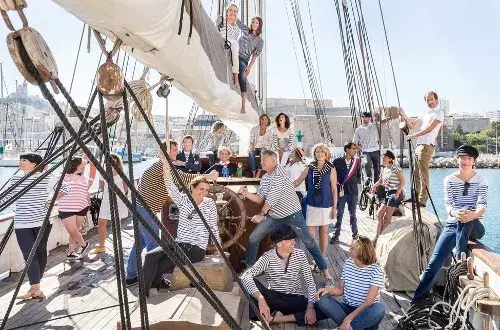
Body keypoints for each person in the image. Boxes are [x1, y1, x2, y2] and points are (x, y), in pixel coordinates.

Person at [125, 141, 219, 286]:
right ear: (164, 152)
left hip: (140, 208)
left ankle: (131, 276)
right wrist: (208, 177)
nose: (177, 152)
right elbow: (183, 179)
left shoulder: (161, 165)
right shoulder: (163, 166)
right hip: (144, 210)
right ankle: (157, 280)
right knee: (154, 245)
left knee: (140, 243)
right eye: (174, 150)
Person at [238, 150, 334, 286]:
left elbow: (271, 199)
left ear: (273, 161)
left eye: (264, 159)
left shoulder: (281, 173)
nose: (261, 162)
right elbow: (260, 199)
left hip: (293, 215)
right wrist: (246, 194)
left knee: (309, 242)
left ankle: (326, 274)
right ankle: (250, 270)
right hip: (275, 216)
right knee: (254, 238)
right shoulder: (265, 178)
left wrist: (260, 215)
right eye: (261, 160)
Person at [412, 145, 487, 303]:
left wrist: (472, 214)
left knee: (466, 217)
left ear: (474, 161)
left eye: (469, 159)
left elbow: (482, 205)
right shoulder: (450, 180)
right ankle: (417, 301)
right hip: (454, 224)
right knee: (434, 264)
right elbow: (449, 205)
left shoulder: (481, 179)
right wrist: (455, 213)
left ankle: (460, 260)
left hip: (476, 225)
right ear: (457, 159)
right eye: (462, 158)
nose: (465, 161)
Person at [241, 227, 330, 326]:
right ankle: (278, 314)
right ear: (279, 244)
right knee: (251, 281)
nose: (294, 243)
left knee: (325, 309)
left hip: (295, 300)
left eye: (293, 239)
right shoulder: (268, 257)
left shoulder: (300, 255)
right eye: (290, 240)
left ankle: (279, 319)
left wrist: (310, 307)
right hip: (274, 298)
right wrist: (260, 298)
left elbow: (310, 283)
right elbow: (245, 276)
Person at [0, 153, 53, 300]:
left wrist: (48, 201)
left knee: (41, 253)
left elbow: (65, 188)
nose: (21, 162)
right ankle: (35, 287)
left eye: (25, 160)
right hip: (22, 223)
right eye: (21, 159)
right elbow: (7, 196)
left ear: (35, 164)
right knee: (29, 255)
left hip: (42, 222)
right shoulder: (16, 179)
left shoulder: (46, 177)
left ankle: (35, 287)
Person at [316, 236, 386, 330]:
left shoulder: (376, 270)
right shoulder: (348, 263)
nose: (349, 250)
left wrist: (349, 318)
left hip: (366, 313)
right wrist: (327, 290)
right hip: (348, 308)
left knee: (379, 308)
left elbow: (369, 302)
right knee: (322, 297)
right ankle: (351, 327)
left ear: (361, 252)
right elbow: (340, 290)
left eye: (352, 248)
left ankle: (346, 327)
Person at [294, 144, 338, 267]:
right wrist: (286, 188)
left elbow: (334, 189)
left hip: (326, 204)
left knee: (324, 232)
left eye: (322, 152)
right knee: (310, 235)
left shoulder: (331, 168)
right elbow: (298, 180)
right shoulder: (310, 167)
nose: (320, 154)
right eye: (318, 152)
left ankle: (321, 259)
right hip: (312, 203)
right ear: (315, 153)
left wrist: (335, 207)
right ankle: (316, 256)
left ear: (326, 154)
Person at [399, 91, 444, 207]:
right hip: (420, 144)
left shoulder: (439, 113)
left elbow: (430, 128)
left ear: (436, 100)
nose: (430, 102)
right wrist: (403, 114)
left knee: (423, 173)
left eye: (431, 99)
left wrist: (413, 136)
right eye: (427, 100)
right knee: (415, 172)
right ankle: (415, 197)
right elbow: (412, 124)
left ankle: (422, 200)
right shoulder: (427, 113)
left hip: (427, 145)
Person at [57, 155, 94, 260]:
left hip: (82, 206)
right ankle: (83, 244)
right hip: (67, 207)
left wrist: (87, 157)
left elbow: (86, 159)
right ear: (75, 165)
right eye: (82, 165)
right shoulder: (63, 176)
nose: (84, 166)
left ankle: (71, 252)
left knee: (75, 230)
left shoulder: (82, 176)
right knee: (73, 230)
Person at [94, 153, 129, 254]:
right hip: (107, 200)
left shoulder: (121, 173)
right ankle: (102, 246)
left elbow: (101, 186)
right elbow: (101, 186)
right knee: (102, 222)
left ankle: (116, 244)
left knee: (115, 223)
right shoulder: (104, 172)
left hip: (117, 200)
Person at [371, 150, 405, 241]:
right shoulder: (385, 169)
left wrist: (398, 192)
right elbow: (381, 181)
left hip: (394, 193)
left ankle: (381, 239)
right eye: (383, 157)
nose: (383, 158)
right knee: (379, 215)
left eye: (384, 157)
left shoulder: (395, 167)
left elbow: (402, 181)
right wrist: (374, 186)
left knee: (387, 218)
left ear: (390, 158)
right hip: (387, 193)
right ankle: (377, 236)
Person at [331, 142, 361, 243]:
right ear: (347, 149)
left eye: (355, 148)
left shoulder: (357, 161)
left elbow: (358, 176)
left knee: (353, 214)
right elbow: (333, 177)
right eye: (353, 148)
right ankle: (336, 235)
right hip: (341, 192)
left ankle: (355, 234)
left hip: (353, 192)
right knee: (339, 214)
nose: (355, 150)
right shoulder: (337, 161)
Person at [236, 16, 264, 114]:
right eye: (253, 22)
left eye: (256, 23)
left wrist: (249, 67)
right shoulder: (246, 30)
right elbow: (237, 22)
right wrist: (231, 12)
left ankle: (243, 106)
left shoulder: (260, 41)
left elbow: (255, 56)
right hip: (234, 53)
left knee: (243, 78)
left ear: (259, 25)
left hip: (243, 59)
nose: (254, 24)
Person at [353, 112, 380, 184]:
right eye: (363, 117)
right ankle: (369, 182)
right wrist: (361, 149)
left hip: (376, 151)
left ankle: (376, 187)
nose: (365, 119)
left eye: (366, 117)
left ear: (370, 118)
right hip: (365, 151)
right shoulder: (358, 130)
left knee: (377, 169)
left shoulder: (374, 126)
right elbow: (354, 143)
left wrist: (377, 114)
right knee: (366, 165)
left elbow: (379, 119)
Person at [218, 3, 241, 89]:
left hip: (231, 44)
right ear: (227, 12)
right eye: (230, 10)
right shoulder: (221, 21)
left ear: (237, 14)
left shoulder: (237, 29)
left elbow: (234, 39)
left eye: (235, 11)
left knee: (235, 46)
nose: (232, 12)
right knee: (235, 45)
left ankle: (236, 78)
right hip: (220, 39)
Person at [286, 148, 307, 218]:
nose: (291, 153)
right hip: (290, 190)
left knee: (297, 213)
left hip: (297, 191)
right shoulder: (289, 164)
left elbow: (296, 180)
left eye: (293, 152)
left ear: (296, 154)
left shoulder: (299, 164)